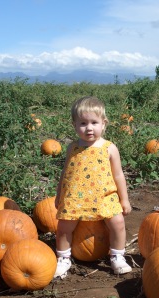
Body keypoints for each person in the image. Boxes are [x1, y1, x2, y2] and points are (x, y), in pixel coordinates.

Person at [54, 96, 132, 279]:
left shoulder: (109, 148)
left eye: (94, 122)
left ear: (103, 124)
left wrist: (124, 199)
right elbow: (66, 173)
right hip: (74, 197)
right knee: (64, 228)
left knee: (118, 223)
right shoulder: (72, 148)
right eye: (82, 123)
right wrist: (59, 195)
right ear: (74, 125)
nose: (89, 128)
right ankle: (63, 258)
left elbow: (118, 175)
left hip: (105, 197)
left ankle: (117, 255)